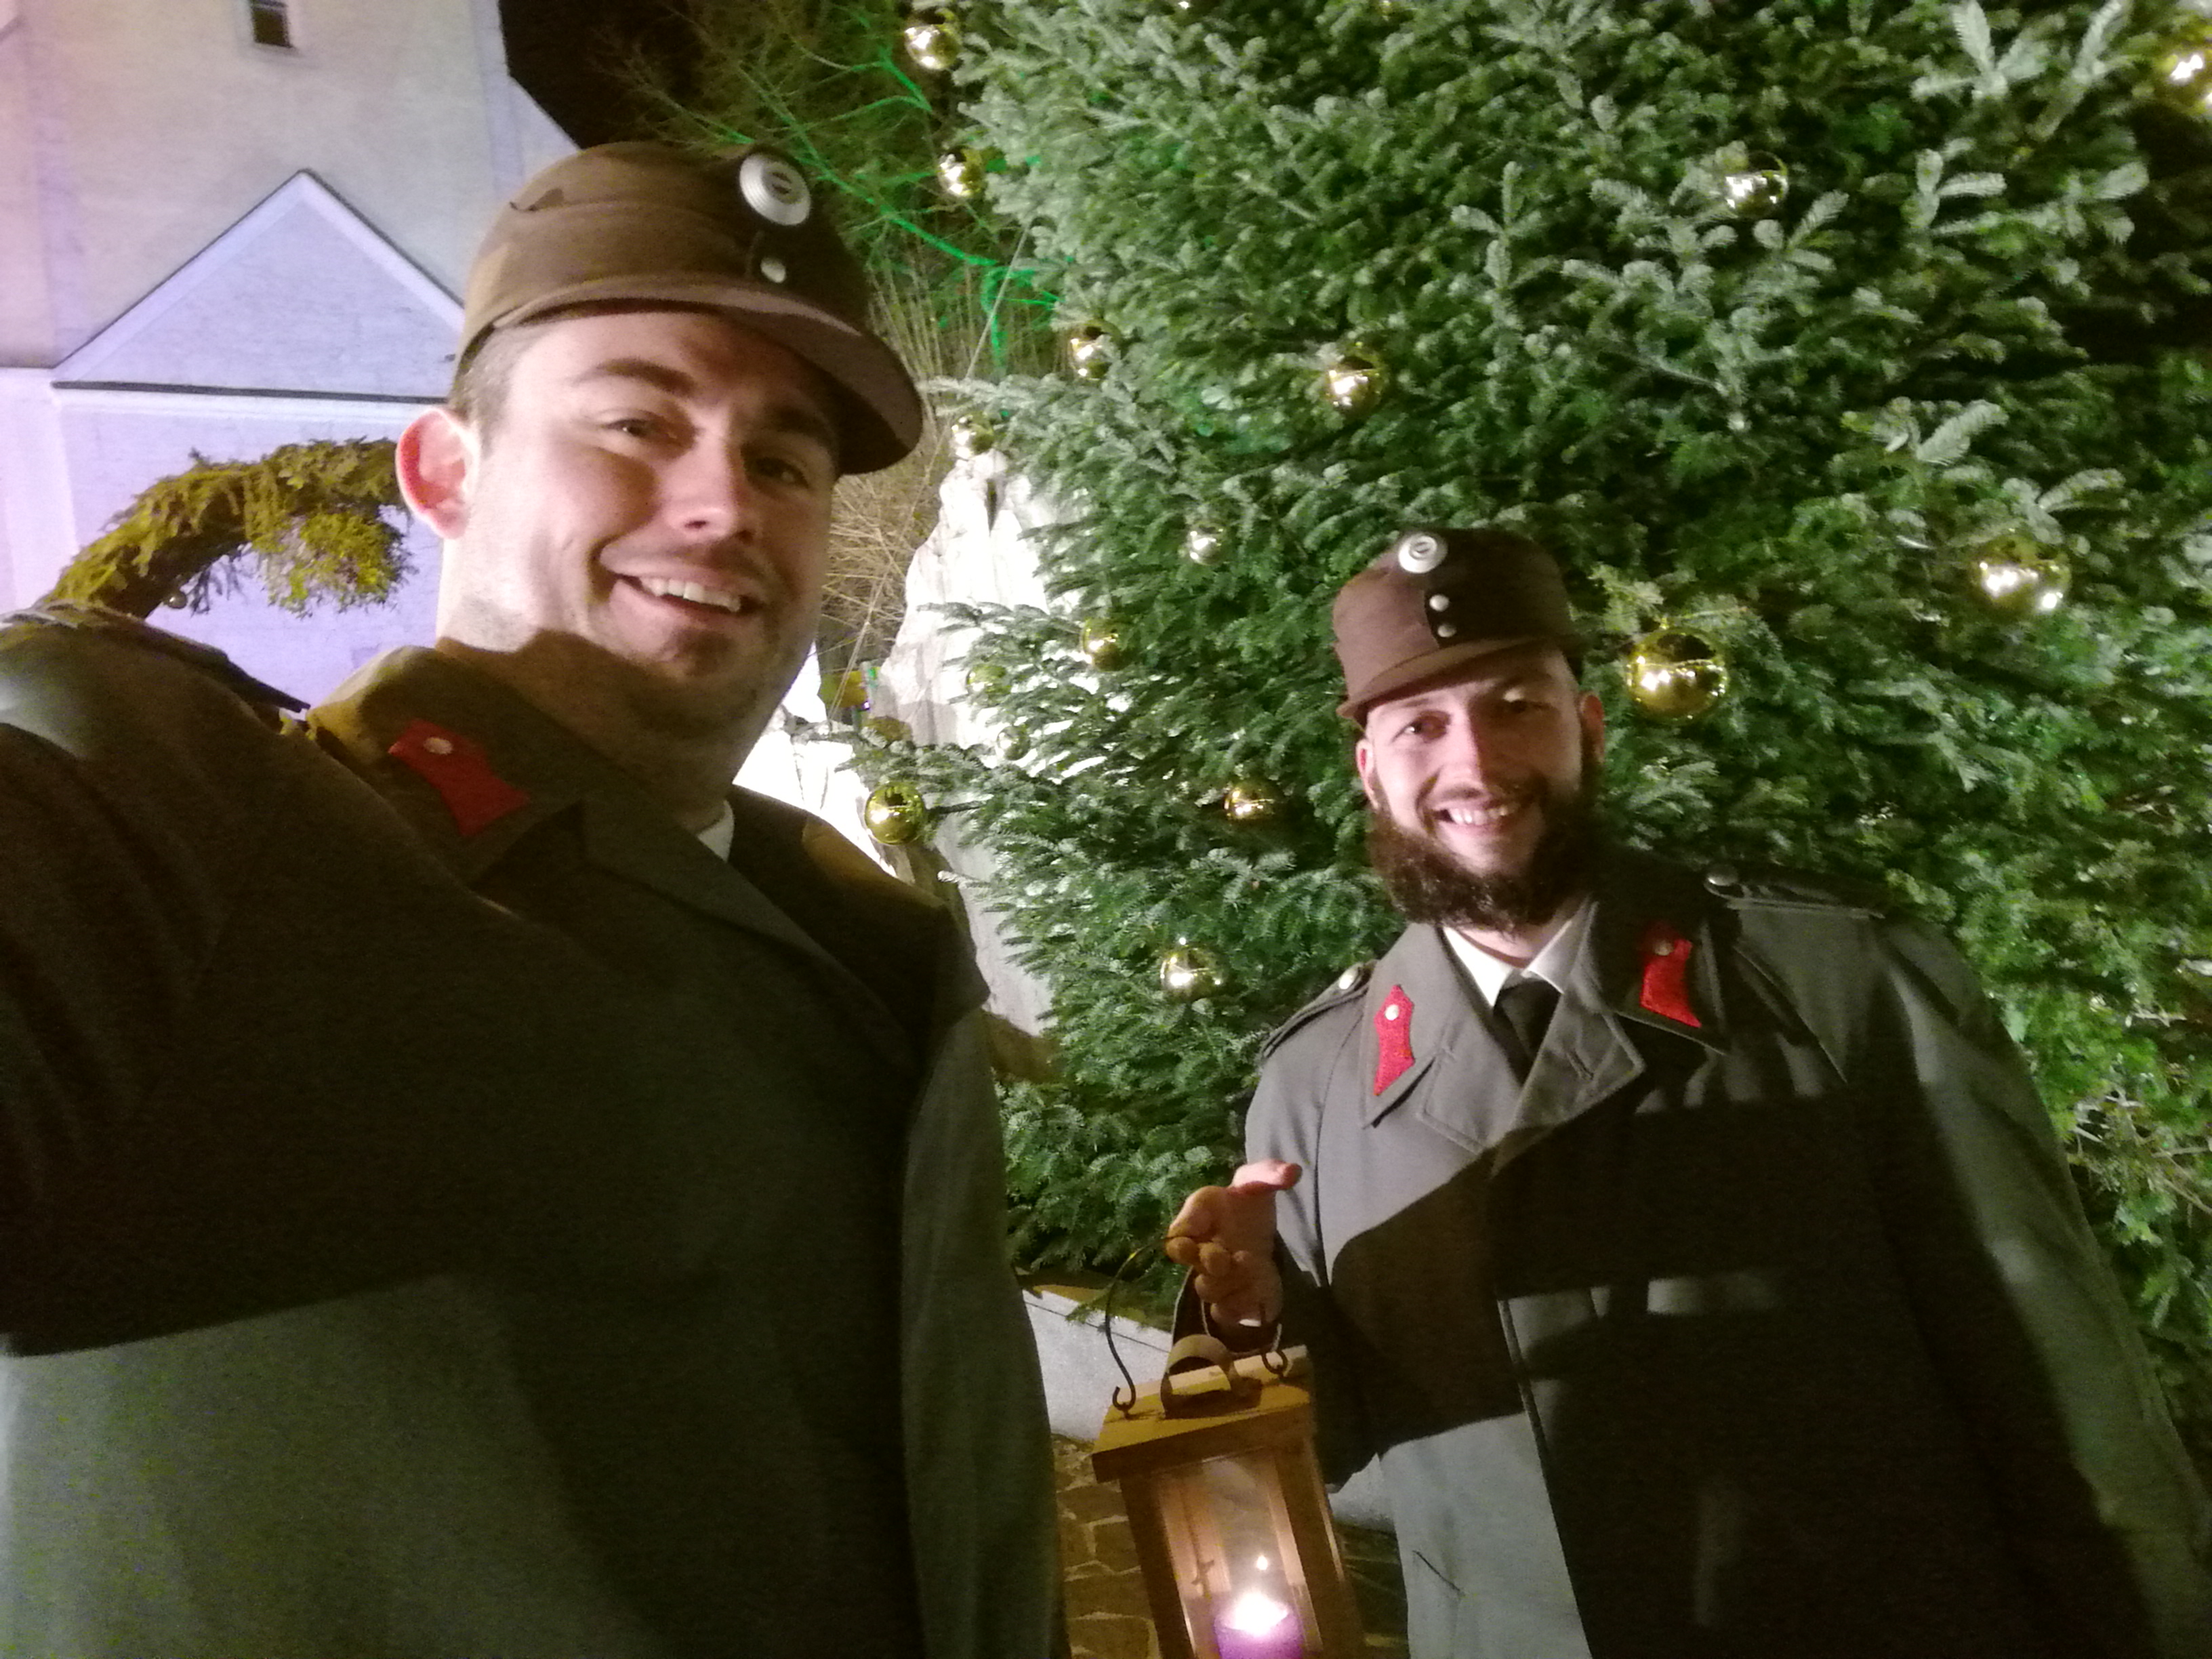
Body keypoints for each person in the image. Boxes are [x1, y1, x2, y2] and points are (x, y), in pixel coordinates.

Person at [0, 142, 1054, 1658]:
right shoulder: (192, 828)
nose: (723, 504)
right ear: (448, 473)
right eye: (638, 422)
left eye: (783, 463)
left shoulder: (861, 942)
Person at [1166, 527, 2212, 1658]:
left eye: (1517, 706)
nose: (1474, 764)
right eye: (1420, 726)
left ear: (1589, 728)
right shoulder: (1314, 1087)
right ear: (1370, 772)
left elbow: (2059, 1375)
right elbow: (1332, 1442)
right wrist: (1253, 1318)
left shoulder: (1836, 982)